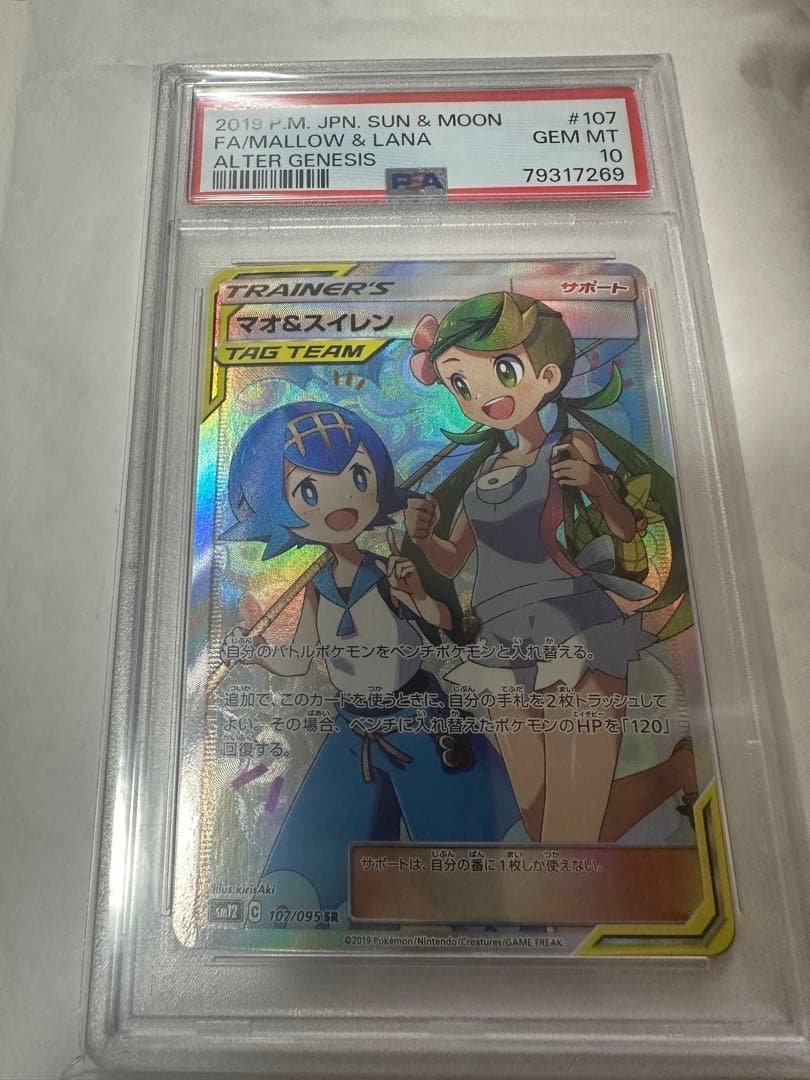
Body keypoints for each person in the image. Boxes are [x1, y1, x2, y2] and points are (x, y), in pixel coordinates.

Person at [406, 292, 696, 842]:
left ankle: (677, 772)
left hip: (570, 628)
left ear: (546, 375)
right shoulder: (485, 471)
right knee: (544, 828)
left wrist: (596, 487)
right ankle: (678, 771)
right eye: (461, 384)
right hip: (499, 644)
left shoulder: (569, 444)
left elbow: (625, 529)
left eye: (503, 371)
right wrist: (424, 538)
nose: (482, 395)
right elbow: (455, 557)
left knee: (570, 834)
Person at [222, 400, 521, 914]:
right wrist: (254, 654)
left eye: (356, 477)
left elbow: (443, 626)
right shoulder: (317, 589)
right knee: (310, 873)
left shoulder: (390, 571)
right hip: (354, 733)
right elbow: (298, 661)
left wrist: (416, 594)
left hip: (419, 722)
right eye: (309, 491)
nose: (339, 501)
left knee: (475, 864)